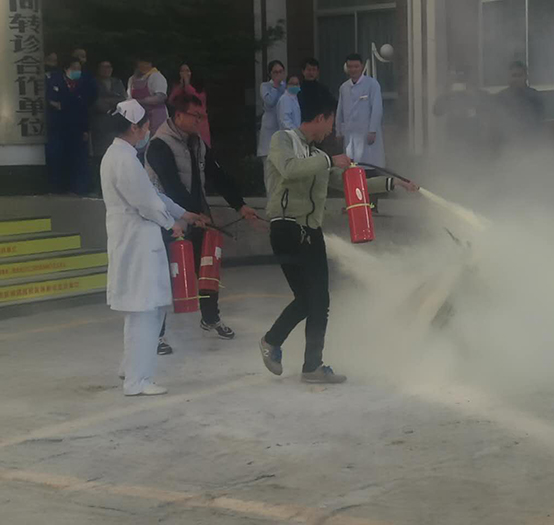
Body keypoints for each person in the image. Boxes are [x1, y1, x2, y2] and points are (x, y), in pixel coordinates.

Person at [259, 82, 419, 384]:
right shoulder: (283, 140)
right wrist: (330, 160)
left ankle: (300, 359)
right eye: (331, 122)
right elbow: (290, 169)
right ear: (321, 117)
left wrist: (393, 183)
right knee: (311, 298)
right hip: (287, 228)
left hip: (311, 230)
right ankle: (284, 349)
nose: (332, 130)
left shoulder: (317, 154)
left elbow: (347, 184)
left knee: (315, 300)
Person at [101, 100, 206, 396]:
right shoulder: (124, 160)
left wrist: (183, 213)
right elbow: (146, 203)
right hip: (136, 243)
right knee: (144, 310)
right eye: (147, 126)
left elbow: (153, 194)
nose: (149, 130)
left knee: (144, 309)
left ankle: (130, 368)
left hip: (135, 241)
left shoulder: (121, 156)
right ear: (135, 127)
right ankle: (138, 380)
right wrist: (170, 223)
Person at [146, 93, 259, 353]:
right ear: (179, 116)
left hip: (197, 219)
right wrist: (194, 213)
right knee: (164, 277)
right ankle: (156, 334)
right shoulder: (159, 145)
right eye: (196, 116)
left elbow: (217, 175)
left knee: (207, 268)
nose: (200, 121)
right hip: (167, 222)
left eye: (202, 116)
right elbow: (171, 186)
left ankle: (210, 318)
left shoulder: (197, 143)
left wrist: (240, 205)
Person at [45, 56, 92, 195]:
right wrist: (67, 105)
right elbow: (52, 102)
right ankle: (58, 188)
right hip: (58, 127)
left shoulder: (82, 84)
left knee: (78, 159)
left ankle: (78, 189)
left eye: (79, 68)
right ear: (66, 69)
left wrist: (85, 129)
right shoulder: (54, 81)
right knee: (57, 157)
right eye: (74, 68)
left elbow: (83, 107)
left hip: (78, 127)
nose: (77, 71)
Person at [336, 53, 386, 168]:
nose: (353, 70)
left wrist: (372, 130)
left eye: (356, 66)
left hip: (367, 133)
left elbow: (377, 109)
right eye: (350, 67)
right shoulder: (344, 87)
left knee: (370, 165)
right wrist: (338, 131)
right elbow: (340, 111)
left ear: (362, 67)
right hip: (350, 133)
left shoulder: (372, 84)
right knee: (352, 164)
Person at [495, 61, 544, 144]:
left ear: (526, 77)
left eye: (520, 75)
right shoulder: (500, 98)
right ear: (508, 78)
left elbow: (539, 121)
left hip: (532, 141)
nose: (516, 79)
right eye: (514, 76)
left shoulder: (535, 97)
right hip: (507, 142)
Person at [91, 60, 127, 160]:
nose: (106, 69)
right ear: (98, 69)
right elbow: (96, 102)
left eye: (108, 67)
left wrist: (107, 100)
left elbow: (123, 99)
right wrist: (114, 100)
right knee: (101, 154)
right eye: (103, 67)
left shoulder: (117, 82)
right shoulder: (93, 82)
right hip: (99, 123)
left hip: (116, 122)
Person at [169, 63, 211, 147]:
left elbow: (198, 99)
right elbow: (171, 100)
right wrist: (181, 86)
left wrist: (187, 85)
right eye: (182, 71)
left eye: (187, 71)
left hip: (199, 123)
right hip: (182, 124)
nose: (184, 74)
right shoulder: (177, 87)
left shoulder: (200, 88)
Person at [128, 55, 169, 136]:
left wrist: (139, 101)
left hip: (156, 116)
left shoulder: (156, 76)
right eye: (141, 63)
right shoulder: (132, 79)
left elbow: (160, 97)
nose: (143, 65)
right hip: (139, 117)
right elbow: (129, 97)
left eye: (146, 63)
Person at [257, 60, 286, 161]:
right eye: (275, 72)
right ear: (270, 74)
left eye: (280, 71)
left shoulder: (287, 86)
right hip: (269, 129)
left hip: (283, 128)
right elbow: (270, 101)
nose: (278, 74)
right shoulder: (265, 86)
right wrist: (275, 86)